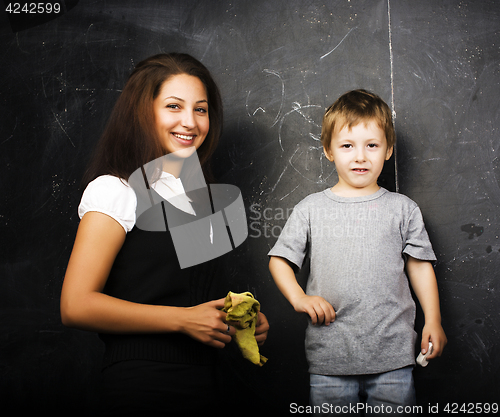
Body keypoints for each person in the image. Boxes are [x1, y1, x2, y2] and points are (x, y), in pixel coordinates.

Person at [60, 53, 269, 416]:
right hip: (143, 387)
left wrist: (236, 321)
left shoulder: (196, 197)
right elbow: (75, 305)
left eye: (201, 110)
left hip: (208, 385)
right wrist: (183, 319)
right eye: (174, 106)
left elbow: (191, 297)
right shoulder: (115, 189)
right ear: (143, 112)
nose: (190, 122)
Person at [268, 90, 446, 414]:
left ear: (388, 150)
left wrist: (433, 318)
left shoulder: (402, 209)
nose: (360, 156)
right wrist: (299, 298)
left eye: (372, 145)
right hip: (329, 361)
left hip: (393, 357)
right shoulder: (311, 209)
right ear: (329, 151)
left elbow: (419, 267)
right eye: (348, 145)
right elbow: (280, 259)